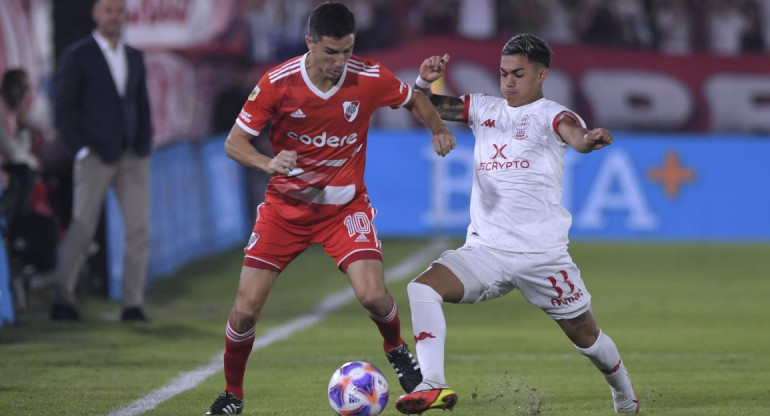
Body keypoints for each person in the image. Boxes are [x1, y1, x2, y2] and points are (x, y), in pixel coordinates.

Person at [203, 2, 455, 415]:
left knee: (373, 295)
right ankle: (233, 395)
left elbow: (414, 99)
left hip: (344, 208)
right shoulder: (277, 82)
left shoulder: (369, 77)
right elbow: (234, 142)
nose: (339, 62)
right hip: (286, 209)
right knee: (245, 310)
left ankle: (396, 349)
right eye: (330, 52)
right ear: (310, 43)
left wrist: (438, 128)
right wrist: (268, 162)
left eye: (347, 51)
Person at [395, 33, 640, 414]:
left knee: (587, 337)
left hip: (541, 256)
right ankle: (433, 382)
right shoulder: (484, 108)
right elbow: (422, 105)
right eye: (503, 73)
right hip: (485, 251)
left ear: (541, 75)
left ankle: (625, 395)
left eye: (518, 74)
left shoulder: (552, 115)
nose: (508, 82)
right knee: (421, 289)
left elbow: (575, 137)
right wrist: (423, 82)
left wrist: (589, 140)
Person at [50, 0, 153, 322]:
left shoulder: (134, 56)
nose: (114, 16)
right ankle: (62, 299)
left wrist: (144, 143)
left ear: (125, 16)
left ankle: (132, 304)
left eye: (119, 11)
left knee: (139, 229)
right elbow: (62, 107)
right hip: (94, 154)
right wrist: (78, 149)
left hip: (131, 155)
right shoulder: (77, 55)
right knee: (82, 228)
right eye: (107, 10)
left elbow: (141, 103)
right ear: (96, 15)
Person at [0, 69, 39, 230]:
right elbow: (11, 152)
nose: (23, 94)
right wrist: (33, 162)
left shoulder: (11, 112)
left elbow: (22, 150)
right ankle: (13, 231)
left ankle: (18, 232)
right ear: (7, 86)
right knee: (20, 176)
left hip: (6, 165)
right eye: (19, 87)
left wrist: (22, 126)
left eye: (26, 89)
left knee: (25, 173)